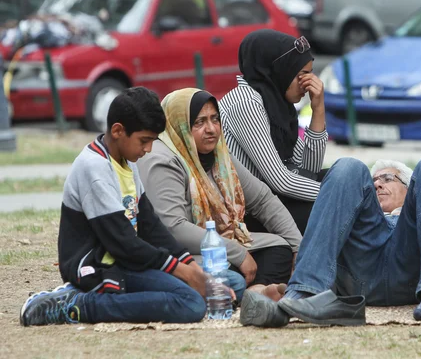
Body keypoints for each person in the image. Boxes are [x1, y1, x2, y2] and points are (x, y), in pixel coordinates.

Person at [20, 87, 245, 327]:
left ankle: (140, 296)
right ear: (118, 131)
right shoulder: (94, 167)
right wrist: (184, 272)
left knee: (232, 283)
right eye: (144, 141)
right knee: (191, 303)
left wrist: (188, 264)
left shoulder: (127, 162)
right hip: (101, 267)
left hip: (129, 262)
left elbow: (150, 227)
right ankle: (77, 305)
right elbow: (123, 244)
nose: (148, 149)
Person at [240, 154, 421, 327]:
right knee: (348, 166)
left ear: (413, 190)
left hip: (413, 270)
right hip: (361, 268)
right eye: (373, 181)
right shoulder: (358, 213)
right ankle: (305, 292)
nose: (377, 184)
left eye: (388, 178)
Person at [137, 88, 302, 300]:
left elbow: (263, 200)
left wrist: (300, 248)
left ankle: (255, 294)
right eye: (199, 122)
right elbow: (174, 228)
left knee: (279, 248)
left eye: (215, 119)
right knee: (229, 277)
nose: (211, 129)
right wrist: (237, 252)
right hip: (181, 253)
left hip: (221, 244)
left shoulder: (219, 154)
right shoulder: (162, 161)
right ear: (177, 124)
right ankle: (249, 294)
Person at [218, 29, 328, 235]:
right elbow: (280, 181)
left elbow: (309, 170)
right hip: (248, 213)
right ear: (279, 70)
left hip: (273, 201)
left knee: (336, 174)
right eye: (302, 75)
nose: (308, 83)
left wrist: (318, 109)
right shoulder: (246, 101)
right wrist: (337, 194)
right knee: (333, 202)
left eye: (310, 73)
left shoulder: (279, 105)